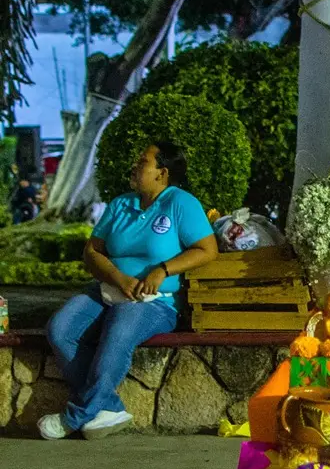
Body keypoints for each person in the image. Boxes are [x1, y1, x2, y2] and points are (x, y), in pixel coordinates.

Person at [40, 141, 216, 440]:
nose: (135, 167)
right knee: (60, 329)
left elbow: (207, 249)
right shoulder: (121, 204)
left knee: (119, 326)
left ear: (162, 172)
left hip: (156, 302)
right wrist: (118, 277)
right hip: (107, 290)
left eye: (143, 162)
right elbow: (92, 252)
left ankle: (76, 416)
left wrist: (162, 270)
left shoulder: (181, 203)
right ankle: (109, 406)